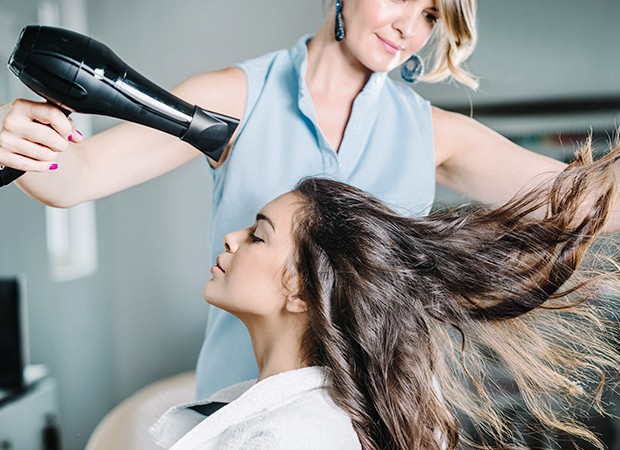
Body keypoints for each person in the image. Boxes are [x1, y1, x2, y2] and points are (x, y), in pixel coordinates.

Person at [1, 1, 617, 399]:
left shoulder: (434, 134)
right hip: (236, 406)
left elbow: (586, 201)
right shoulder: (234, 99)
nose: (412, 27)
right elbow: (75, 175)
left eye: (431, 14)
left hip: (379, 417)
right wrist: (20, 138)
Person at [149, 141, 620, 449]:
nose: (231, 237)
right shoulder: (297, 416)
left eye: (258, 235)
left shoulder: (288, 437)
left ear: (300, 288)